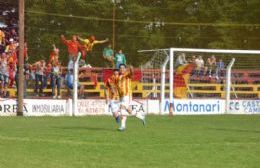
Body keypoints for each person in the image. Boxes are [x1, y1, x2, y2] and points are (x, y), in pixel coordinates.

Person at [117, 64, 145, 131]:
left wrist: (132, 69)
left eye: (123, 68)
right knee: (129, 111)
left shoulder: (127, 75)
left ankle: (123, 126)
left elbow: (131, 73)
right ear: (119, 69)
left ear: (125, 69)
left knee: (122, 108)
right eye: (120, 68)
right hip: (121, 96)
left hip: (127, 95)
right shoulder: (118, 77)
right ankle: (141, 116)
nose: (122, 69)